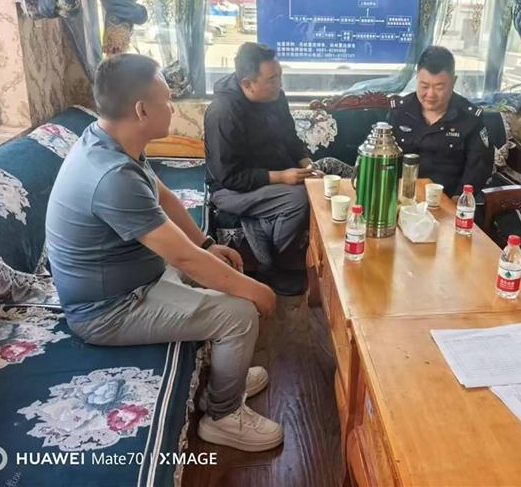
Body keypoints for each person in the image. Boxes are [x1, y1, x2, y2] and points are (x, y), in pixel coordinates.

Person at [46, 53, 283, 452]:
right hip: (109, 310)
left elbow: (165, 197)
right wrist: (257, 291)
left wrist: (206, 244)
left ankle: (227, 374)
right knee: (241, 313)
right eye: (168, 100)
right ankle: (223, 416)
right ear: (142, 110)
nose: (172, 108)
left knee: (221, 274)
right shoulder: (112, 176)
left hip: (136, 279)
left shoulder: (110, 140)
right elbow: (184, 260)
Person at [204, 42, 317, 295]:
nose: (279, 84)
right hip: (230, 190)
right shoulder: (223, 112)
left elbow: (291, 138)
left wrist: (307, 164)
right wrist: (281, 177)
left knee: (322, 182)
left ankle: (266, 229)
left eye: (280, 76)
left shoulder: (275, 97)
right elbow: (230, 177)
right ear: (248, 83)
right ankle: (271, 268)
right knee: (299, 199)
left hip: (271, 181)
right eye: (272, 79)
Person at [388, 46, 494, 198]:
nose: (430, 94)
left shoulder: (469, 118)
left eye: (439, 87)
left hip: (447, 199)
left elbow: (478, 168)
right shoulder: (399, 111)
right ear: (417, 78)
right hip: (401, 197)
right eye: (424, 86)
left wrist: (458, 200)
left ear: (454, 81)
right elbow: (384, 160)